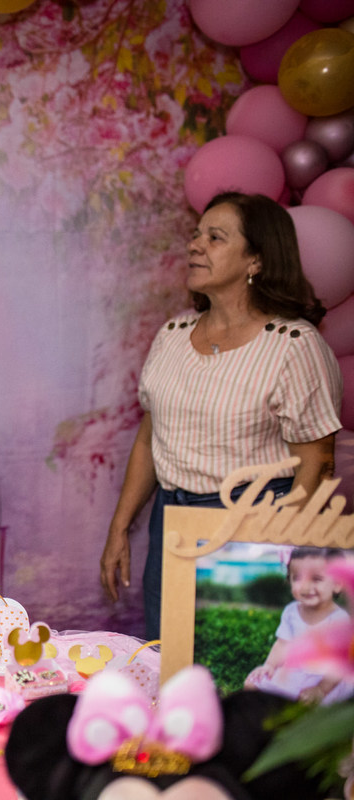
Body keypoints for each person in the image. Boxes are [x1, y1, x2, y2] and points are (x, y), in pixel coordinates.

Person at [99, 192, 343, 640]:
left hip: (251, 524)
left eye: (215, 237)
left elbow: (317, 462)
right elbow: (151, 437)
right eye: (196, 235)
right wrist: (120, 527)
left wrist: (279, 548)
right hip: (170, 522)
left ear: (256, 260)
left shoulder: (293, 345)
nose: (195, 245)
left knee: (236, 663)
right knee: (168, 657)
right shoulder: (172, 335)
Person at [245, 547, 351, 704]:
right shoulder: (291, 611)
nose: (305, 587)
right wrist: (269, 666)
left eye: (316, 579)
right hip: (296, 673)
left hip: (326, 679)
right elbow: (282, 644)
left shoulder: (339, 619)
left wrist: (320, 689)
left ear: (336, 584)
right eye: (298, 578)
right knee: (252, 683)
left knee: (312, 701)